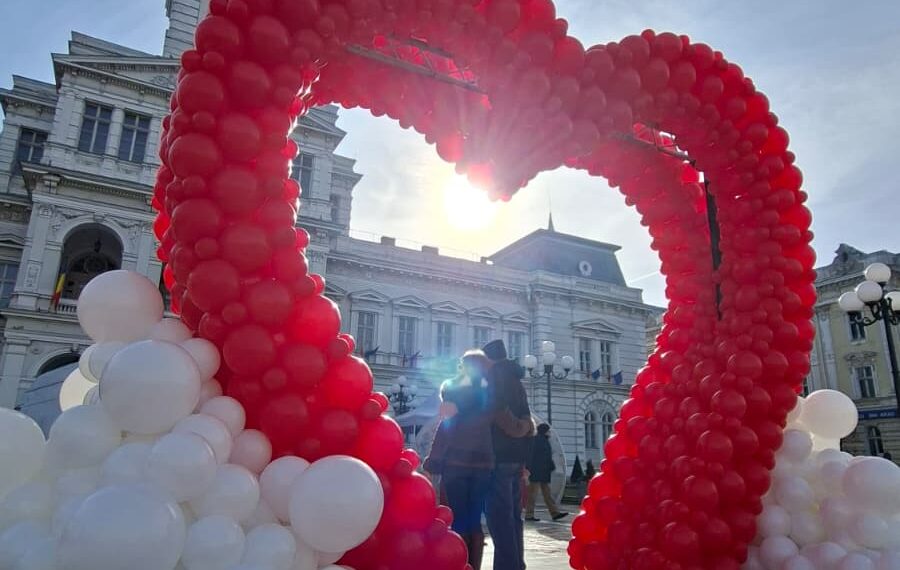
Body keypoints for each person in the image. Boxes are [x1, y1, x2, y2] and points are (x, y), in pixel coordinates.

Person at [424, 350, 494, 570]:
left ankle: (459, 563)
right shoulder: (490, 395)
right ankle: (474, 566)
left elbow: (445, 430)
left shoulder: (452, 391)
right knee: (474, 521)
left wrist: (433, 461)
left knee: (456, 519)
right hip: (483, 467)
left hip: (455, 465)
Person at [483, 339, 534, 570]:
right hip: (516, 456)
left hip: (500, 455)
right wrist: (523, 428)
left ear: (490, 359)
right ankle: (516, 565)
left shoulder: (495, 377)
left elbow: (496, 411)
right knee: (513, 519)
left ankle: (507, 567)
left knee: (500, 520)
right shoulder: (516, 380)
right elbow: (527, 417)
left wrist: (515, 428)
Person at [525, 423, 568, 522]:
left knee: (547, 494)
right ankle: (529, 515)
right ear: (544, 431)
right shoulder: (538, 440)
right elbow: (532, 455)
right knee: (533, 494)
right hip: (537, 471)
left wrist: (550, 466)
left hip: (542, 471)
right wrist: (529, 468)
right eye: (548, 430)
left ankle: (555, 513)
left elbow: (546, 456)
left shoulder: (543, 440)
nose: (550, 432)